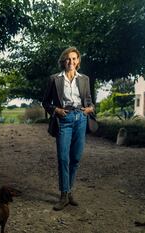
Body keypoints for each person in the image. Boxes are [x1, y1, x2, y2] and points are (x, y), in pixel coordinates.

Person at [42, 47, 94, 211]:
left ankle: (69, 191)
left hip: (81, 119)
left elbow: (90, 101)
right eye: (68, 59)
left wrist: (89, 109)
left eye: (74, 59)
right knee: (63, 158)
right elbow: (45, 102)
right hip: (63, 119)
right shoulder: (54, 79)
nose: (71, 62)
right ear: (63, 61)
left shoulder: (85, 79)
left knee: (76, 158)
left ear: (78, 61)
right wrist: (56, 110)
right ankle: (64, 194)